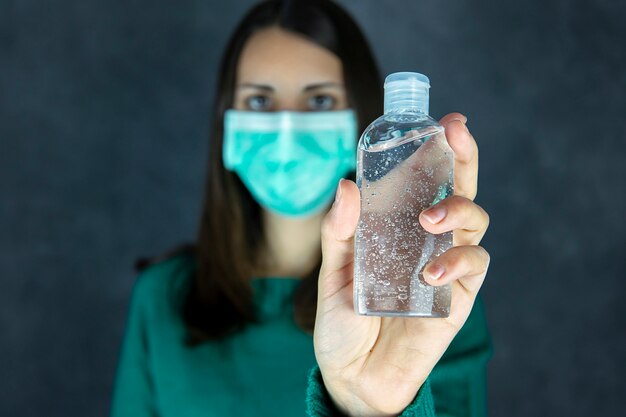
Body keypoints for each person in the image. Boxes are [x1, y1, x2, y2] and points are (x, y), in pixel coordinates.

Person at [110, 0, 493, 416]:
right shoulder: (163, 297)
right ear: (227, 123)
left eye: (320, 102)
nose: (287, 128)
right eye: (259, 102)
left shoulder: (425, 293)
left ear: (362, 119)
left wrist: (371, 407)